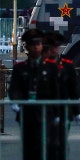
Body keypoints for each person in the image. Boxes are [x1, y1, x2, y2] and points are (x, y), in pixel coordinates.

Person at [9, 29, 57, 160]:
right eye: (33, 44)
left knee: (47, 147)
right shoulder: (20, 68)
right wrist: (16, 101)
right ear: (27, 47)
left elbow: (56, 90)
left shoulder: (51, 68)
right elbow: (14, 88)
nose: (36, 47)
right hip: (27, 113)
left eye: (39, 43)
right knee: (29, 148)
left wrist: (58, 111)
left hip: (46, 113)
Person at [42, 31, 80, 160]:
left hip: (63, 110)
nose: (54, 50)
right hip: (46, 111)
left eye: (56, 46)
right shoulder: (41, 65)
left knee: (61, 142)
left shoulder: (67, 66)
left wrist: (76, 111)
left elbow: (73, 89)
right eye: (51, 46)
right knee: (48, 143)